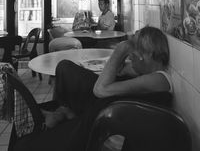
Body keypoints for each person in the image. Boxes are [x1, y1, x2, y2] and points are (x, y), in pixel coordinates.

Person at [14, 26, 173, 151]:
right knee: (65, 67)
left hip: (96, 125)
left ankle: (63, 114)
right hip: (100, 114)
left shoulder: (158, 79)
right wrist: (122, 65)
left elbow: (100, 90)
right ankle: (64, 111)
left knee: (24, 145)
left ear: (146, 55)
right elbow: (118, 72)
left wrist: (121, 50)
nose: (130, 58)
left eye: (133, 54)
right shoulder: (147, 72)